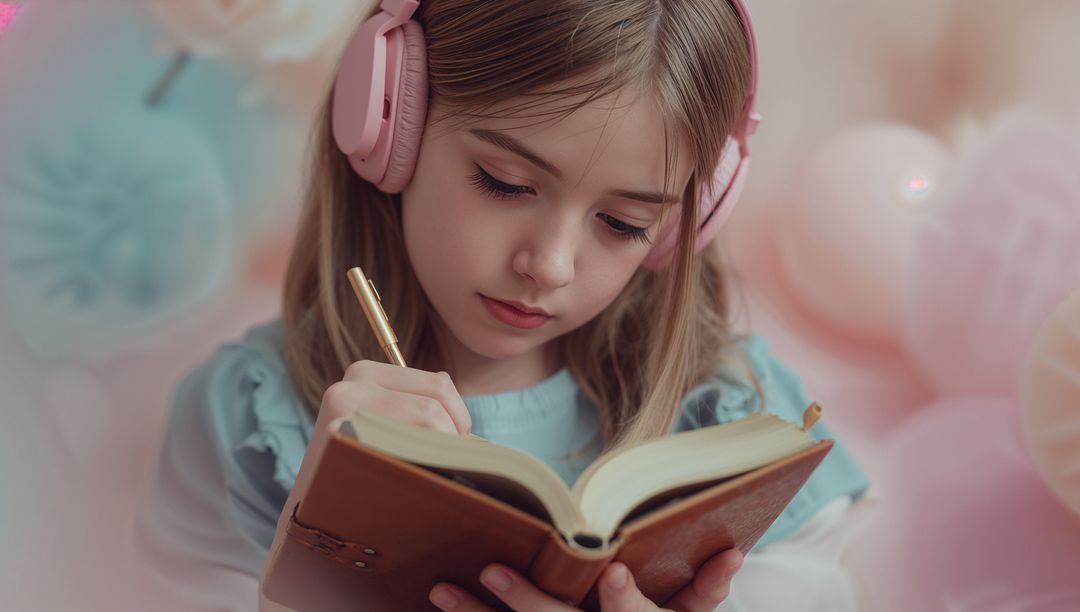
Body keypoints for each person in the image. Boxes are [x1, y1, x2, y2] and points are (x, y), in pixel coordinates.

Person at [136, 0, 870, 610]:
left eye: (622, 225)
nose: (547, 265)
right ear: (390, 120)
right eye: (504, 182)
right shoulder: (247, 421)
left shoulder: (736, 412)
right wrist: (320, 534)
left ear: (685, 223)